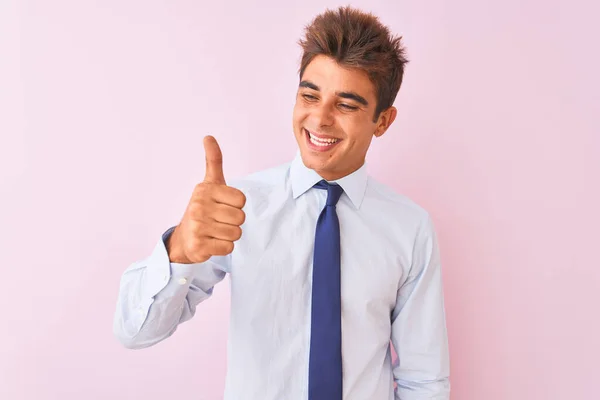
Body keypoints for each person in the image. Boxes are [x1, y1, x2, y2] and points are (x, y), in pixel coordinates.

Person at [113, 6, 450, 400]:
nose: (319, 118)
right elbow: (133, 332)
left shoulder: (409, 228)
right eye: (310, 95)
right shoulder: (237, 207)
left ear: (382, 120)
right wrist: (179, 252)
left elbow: (423, 380)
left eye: (346, 104)